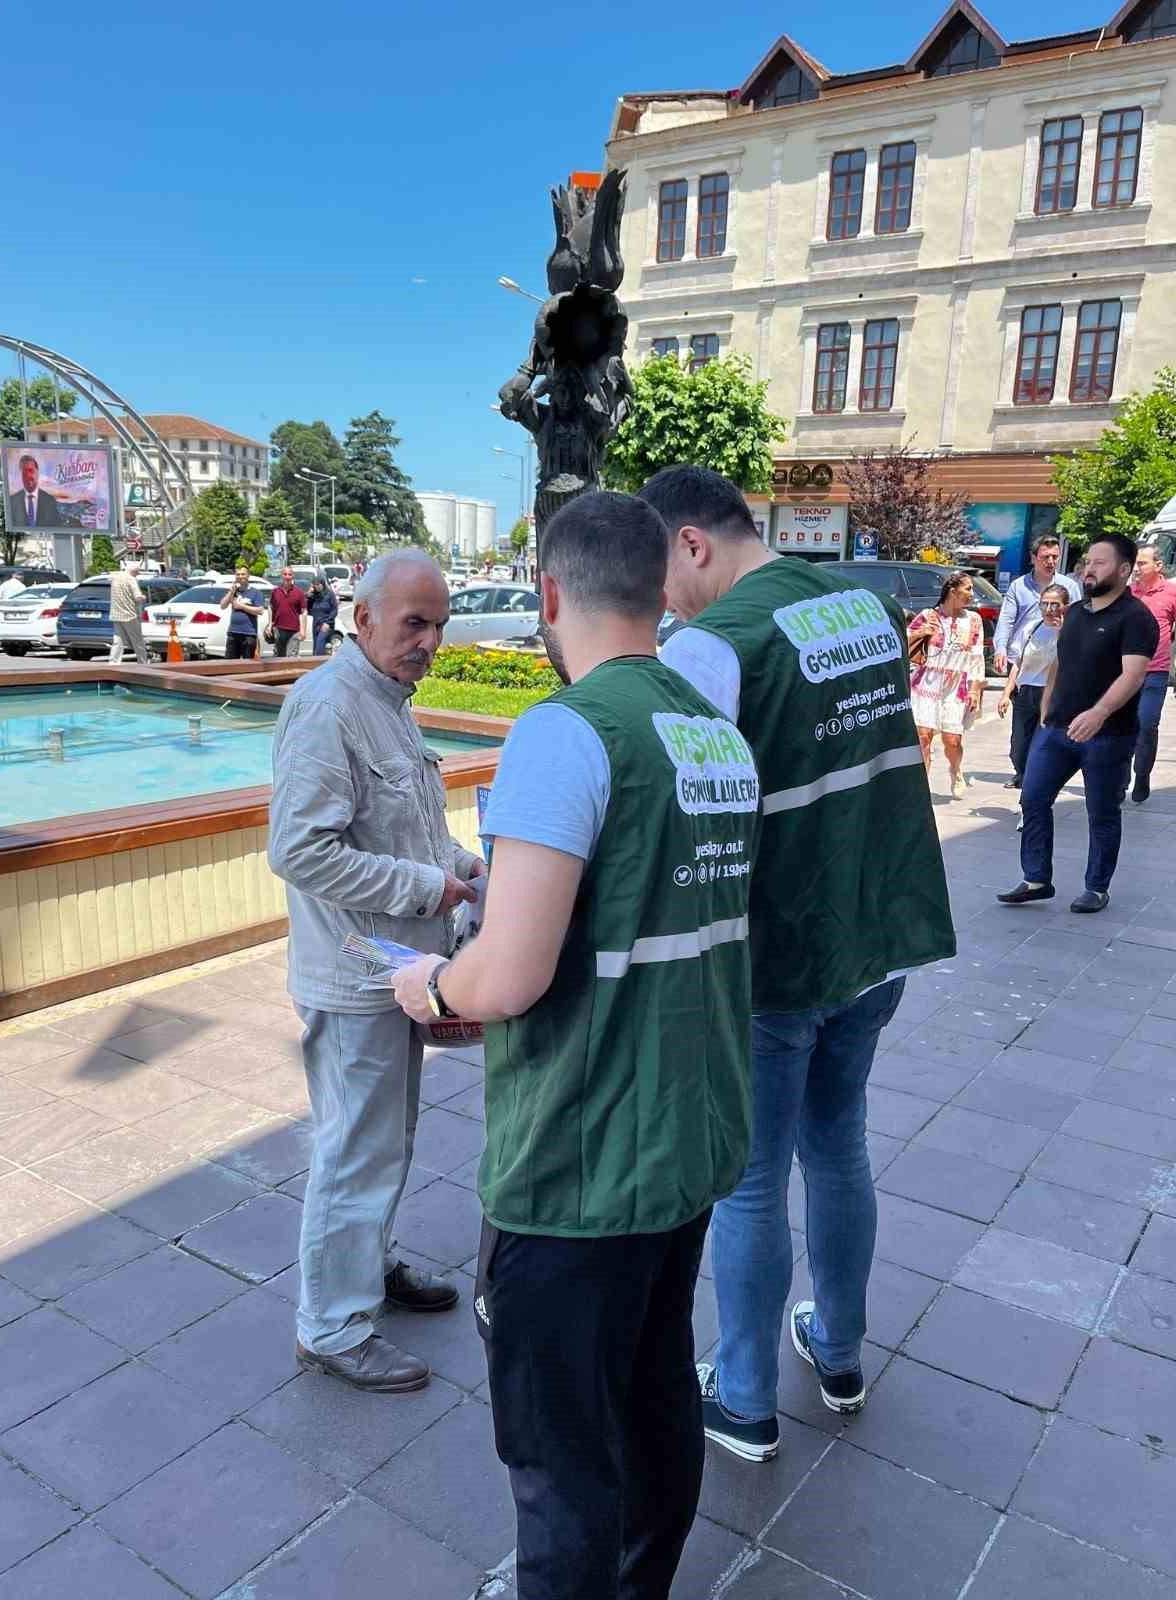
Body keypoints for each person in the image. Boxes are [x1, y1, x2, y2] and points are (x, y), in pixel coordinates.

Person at [391, 491, 761, 1600]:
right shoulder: (715, 735)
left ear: (548, 595)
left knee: (557, 1452)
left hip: (579, 1161)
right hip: (686, 1141)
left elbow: (508, 974)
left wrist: (429, 985)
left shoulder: (567, 731)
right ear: (660, 591)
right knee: (654, 1397)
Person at [638, 466, 954, 1464]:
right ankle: (842, 1350)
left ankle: (743, 1397)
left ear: (692, 543)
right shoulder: (858, 605)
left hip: (776, 955)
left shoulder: (715, 646)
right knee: (839, 1145)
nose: (662, 601)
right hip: (875, 931)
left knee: (748, 1180)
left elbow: (683, 818)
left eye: (663, 575)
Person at [268, 550, 485, 1392]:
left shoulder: (387, 703)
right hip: (356, 971)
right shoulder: (329, 707)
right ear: (361, 620)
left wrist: (466, 864)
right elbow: (299, 851)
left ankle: (369, 1270)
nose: (430, 641)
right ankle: (330, 1326)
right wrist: (429, 885)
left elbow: (404, 829)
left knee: (385, 1138)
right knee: (355, 1148)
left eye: (439, 624)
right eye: (414, 624)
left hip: (396, 967)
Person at [999, 534, 1159, 914]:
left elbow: (1133, 675)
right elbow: (1059, 662)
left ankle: (1096, 887)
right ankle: (1036, 878)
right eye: (1088, 561)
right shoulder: (1078, 614)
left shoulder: (1136, 618)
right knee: (1033, 798)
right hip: (1056, 730)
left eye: (1101, 562)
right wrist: (1046, 710)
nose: (1090, 569)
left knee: (1102, 812)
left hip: (1108, 736)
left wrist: (1099, 712)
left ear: (1124, 570)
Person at [993, 535, 1083, 786]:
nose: (1051, 561)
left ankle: (1037, 778)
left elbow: (1080, 618)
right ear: (1033, 558)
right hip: (1025, 669)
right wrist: (1001, 650)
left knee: (1044, 737)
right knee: (1019, 743)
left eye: (1055, 557)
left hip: (1056, 679)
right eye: (1045, 557)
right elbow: (1006, 621)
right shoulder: (1018, 587)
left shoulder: (1069, 587)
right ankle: (1023, 770)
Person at [997, 583, 1071, 828]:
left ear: (1065, 607)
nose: (1049, 610)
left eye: (1055, 605)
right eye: (1044, 604)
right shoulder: (1031, 627)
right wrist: (1006, 693)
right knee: (1018, 750)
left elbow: (1071, 664)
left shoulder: (1071, 632)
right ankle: (1028, 785)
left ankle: (1027, 807)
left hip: (1052, 696)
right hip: (1025, 694)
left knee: (1037, 753)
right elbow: (1017, 663)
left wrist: (1063, 634)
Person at [908, 572, 986, 799]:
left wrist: (975, 688)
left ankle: (955, 769)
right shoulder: (928, 615)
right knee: (924, 735)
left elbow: (976, 656)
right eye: (968, 588)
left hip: (956, 686)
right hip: (927, 683)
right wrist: (922, 632)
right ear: (953, 590)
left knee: (953, 740)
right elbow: (905, 640)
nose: (972, 594)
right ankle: (921, 791)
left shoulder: (973, 620)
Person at [1127, 545, 1176, 804]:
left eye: (1142, 563)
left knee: (1146, 725)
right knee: (1121, 726)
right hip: (1124, 673)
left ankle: (1142, 774)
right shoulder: (1127, 593)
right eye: (1135, 563)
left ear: (1158, 566)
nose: (1136, 568)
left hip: (1155, 673)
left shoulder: (1171, 592)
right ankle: (1119, 778)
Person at [223, 565, 267, 660]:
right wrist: (231, 591)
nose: (240, 576)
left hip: (249, 634)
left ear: (248, 576)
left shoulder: (255, 592)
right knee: (229, 664)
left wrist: (241, 606)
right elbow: (223, 605)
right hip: (233, 633)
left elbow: (260, 611)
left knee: (248, 665)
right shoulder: (234, 591)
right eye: (238, 574)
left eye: (243, 574)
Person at [108, 562, 147, 663]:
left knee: (118, 641)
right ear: (134, 571)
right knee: (137, 640)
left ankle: (113, 662)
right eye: (137, 573)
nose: (137, 575)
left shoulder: (115, 578)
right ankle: (143, 662)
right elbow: (137, 597)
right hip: (130, 615)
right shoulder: (131, 580)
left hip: (116, 614)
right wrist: (143, 597)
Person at [8, 456, 61, 529]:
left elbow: (56, 527)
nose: (28, 476)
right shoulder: (12, 501)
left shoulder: (50, 500)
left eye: (31, 471)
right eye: (24, 473)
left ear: (38, 473)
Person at [269, 566, 308, 658]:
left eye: (289, 574)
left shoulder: (299, 593)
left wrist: (303, 631)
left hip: (294, 631)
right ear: (281, 576)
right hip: (279, 629)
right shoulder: (275, 592)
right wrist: (270, 624)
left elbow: (304, 612)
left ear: (292, 576)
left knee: (292, 658)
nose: (287, 577)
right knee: (278, 658)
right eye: (285, 574)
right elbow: (271, 608)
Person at [307, 574, 339, 655]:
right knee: (316, 648)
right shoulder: (314, 596)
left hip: (326, 624)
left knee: (319, 647)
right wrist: (308, 595)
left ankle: (319, 663)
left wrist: (328, 622)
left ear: (323, 584)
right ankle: (318, 665)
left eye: (318, 584)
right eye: (315, 585)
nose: (317, 586)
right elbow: (308, 609)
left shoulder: (329, 594)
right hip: (316, 624)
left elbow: (334, 610)